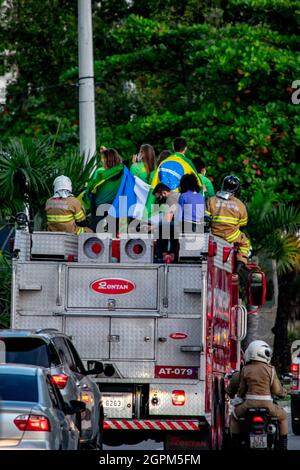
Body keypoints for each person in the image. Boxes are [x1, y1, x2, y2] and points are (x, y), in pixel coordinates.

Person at [231, 340, 288, 450]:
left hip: (248, 405)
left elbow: (241, 390)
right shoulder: (271, 370)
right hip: (268, 405)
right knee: (283, 417)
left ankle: (235, 444)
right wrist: (284, 392)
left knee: (233, 417)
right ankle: (283, 446)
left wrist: (239, 397)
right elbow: (276, 390)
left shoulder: (245, 369)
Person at [206, 175, 250, 272]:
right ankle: (238, 268)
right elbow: (243, 224)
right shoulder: (240, 205)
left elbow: (206, 219)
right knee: (245, 243)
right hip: (231, 236)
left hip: (213, 235)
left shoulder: (211, 200)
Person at [152, 183, 180, 262]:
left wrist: (153, 226)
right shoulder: (176, 195)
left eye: (159, 197)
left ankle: (163, 254)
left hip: (181, 224)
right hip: (185, 222)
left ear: (164, 193)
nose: (159, 200)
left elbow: (168, 219)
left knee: (162, 227)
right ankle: (172, 253)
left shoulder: (170, 199)